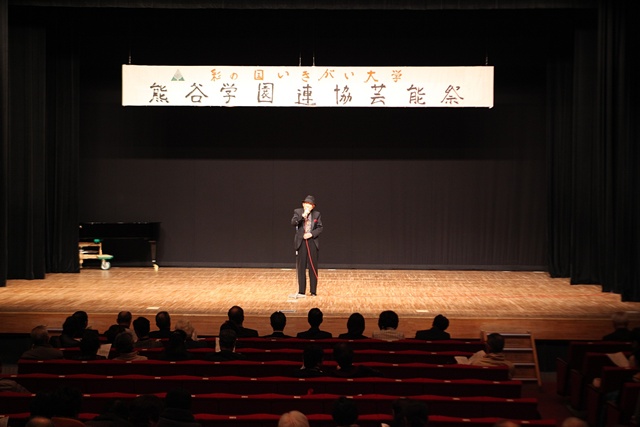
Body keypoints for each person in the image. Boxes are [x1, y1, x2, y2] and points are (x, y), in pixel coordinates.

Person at [291, 195, 323, 297]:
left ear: (313, 206)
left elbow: (320, 228)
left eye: (310, 204)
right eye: (306, 204)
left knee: (313, 266)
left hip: (312, 242)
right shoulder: (298, 212)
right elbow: (293, 222)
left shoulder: (317, 214)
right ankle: (301, 291)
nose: (308, 206)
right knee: (301, 267)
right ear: (303, 204)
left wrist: (311, 234)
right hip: (301, 242)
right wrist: (303, 215)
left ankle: (313, 291)